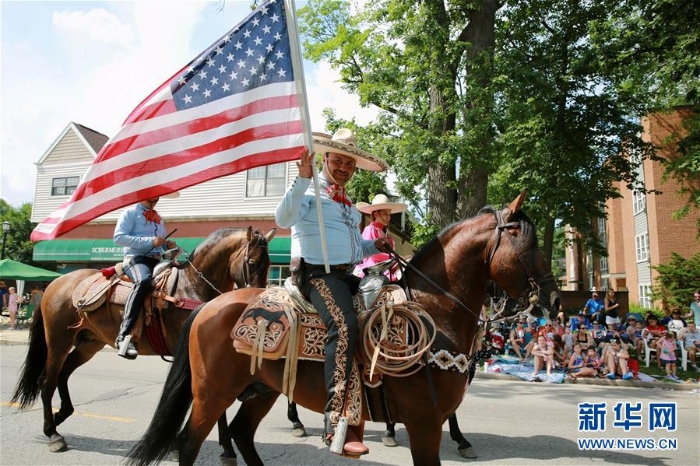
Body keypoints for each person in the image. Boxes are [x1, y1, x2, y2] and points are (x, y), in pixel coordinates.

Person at [275, 128, 391, 457]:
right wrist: (301, 178)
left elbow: (354, 248)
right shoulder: (308, 192)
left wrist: (373, 244)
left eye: (349, 163)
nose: (343, 167)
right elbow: (282, 218)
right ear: (325, 159)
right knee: (343, 326)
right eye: (337, 160)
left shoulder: (349, 204)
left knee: (392, 306)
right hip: (316, 276)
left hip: (348, 274)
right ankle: (335, 417)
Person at [113, 196, 176, 359]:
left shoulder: (158, 218)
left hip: (157, 260)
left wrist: (167, 245)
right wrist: (150, 241)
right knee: (144, 282)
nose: (154, 201)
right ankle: (123, 335)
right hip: (136, 259)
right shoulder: (130, 213)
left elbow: (159, 243)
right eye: (150, 198)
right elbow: (119, 237)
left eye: (157, 198)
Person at [354, 193, 407, 282]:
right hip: (372, 268)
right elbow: (374, 255)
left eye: (389, 214)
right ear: (376, 215)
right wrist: (396, 257)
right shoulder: (370, 229)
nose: (388, 217)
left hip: (386, 266)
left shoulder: (386, 234)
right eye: (385, 213)